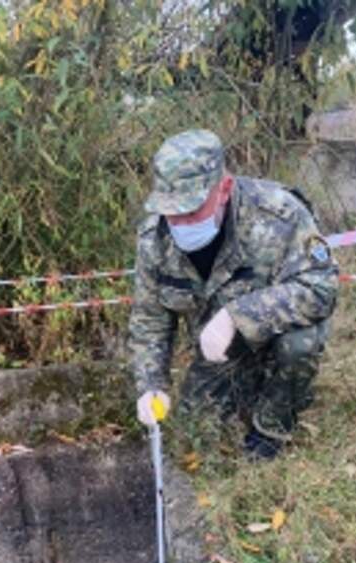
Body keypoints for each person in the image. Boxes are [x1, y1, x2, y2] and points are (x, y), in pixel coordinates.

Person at [129, 129, 339, 460]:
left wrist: (236, 316)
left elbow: (321, 287)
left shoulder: (279, 215)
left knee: (300, 344)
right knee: (195, 429)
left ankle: (272, 426)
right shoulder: (154, 240)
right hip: (219, 353)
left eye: (191, 210)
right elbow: (150, 318)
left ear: (224, 189)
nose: (179, 222)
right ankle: (247, 386)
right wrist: (150, 384)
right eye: (171, 211)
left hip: (275, 339)